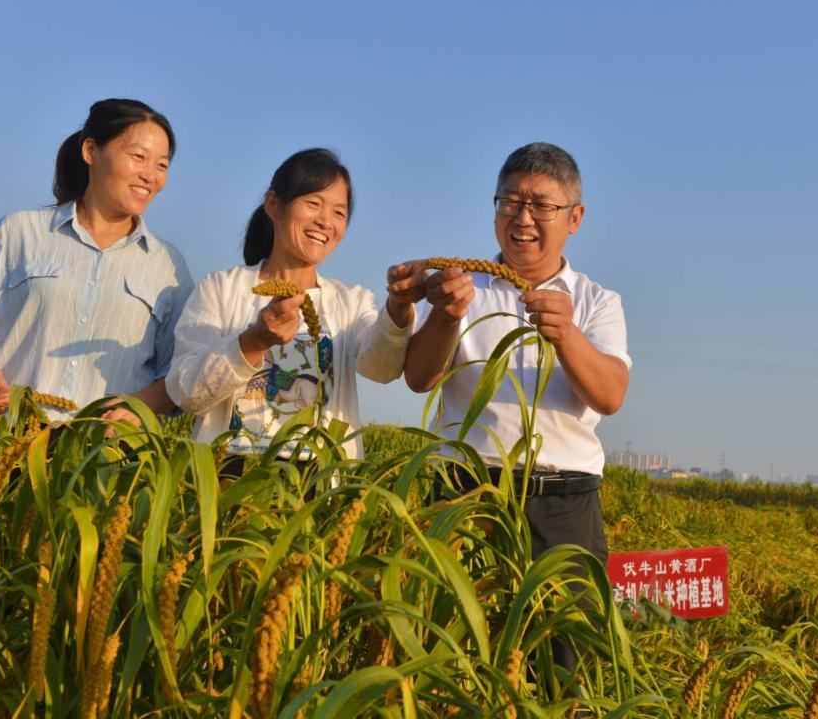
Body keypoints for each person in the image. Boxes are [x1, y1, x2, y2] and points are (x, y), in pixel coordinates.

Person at [399, 140, 631, 564]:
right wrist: (446, 317)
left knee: (567, 610)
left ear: (575, 217)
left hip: (563, 507)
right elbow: (419, 379)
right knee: (455, 608)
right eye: (510, 202)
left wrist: (566, 335)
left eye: (542, 206)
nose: (523, 218)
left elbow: (610, 395)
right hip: (464, 497)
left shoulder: (597, 302)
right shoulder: (461, 287)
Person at [0, 98, 193, 438]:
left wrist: (139, 406)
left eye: (162, 164)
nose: (150, 175)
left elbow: (181, 371)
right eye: (138, 157)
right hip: (6, 442)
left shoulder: (168, 267)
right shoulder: (19, 232)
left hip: (107, 453)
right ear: (91, 151)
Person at [166, 148, 416, 468]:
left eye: (339, 213)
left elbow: (380, 368)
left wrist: (398, 307)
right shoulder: (221, 288)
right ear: (274, 205)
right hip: (227, 477)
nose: (325, 221)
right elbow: (185, 391)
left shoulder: (351, 303)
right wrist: (252, 342)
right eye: (313, 203)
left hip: (318, 484)